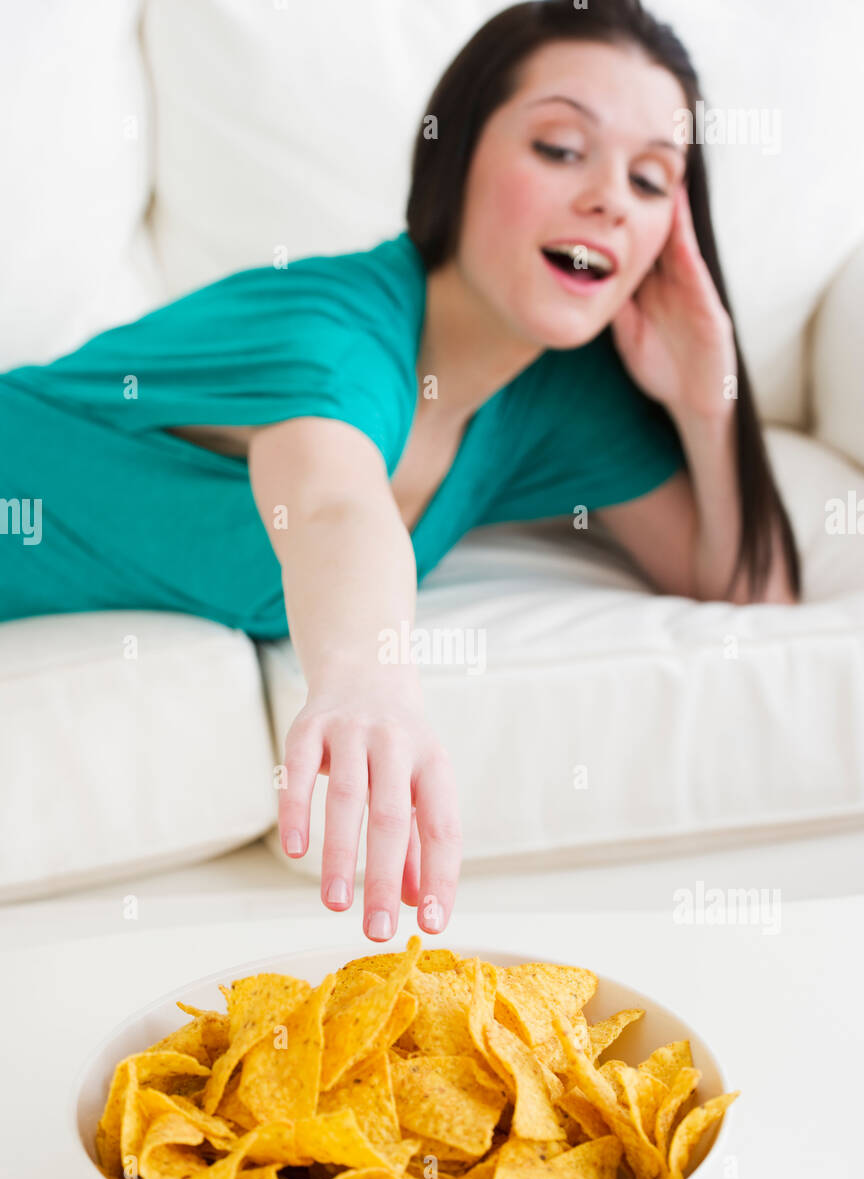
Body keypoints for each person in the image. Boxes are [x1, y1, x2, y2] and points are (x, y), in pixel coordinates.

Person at [0, 0, 799, 942]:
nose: (611, 200)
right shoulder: (333, 328)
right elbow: (333, 503)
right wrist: (371, 687)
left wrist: (709, 406)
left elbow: (750, 593)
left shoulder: (557, 400)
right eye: (559, 148)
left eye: (652, 178)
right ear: (456, 159)